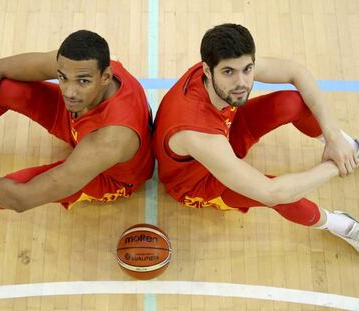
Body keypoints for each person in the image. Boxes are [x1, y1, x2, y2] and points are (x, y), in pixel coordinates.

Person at [153, 23, 359, 251]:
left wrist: (334, 137)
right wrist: (336, 164)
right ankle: (343, 225)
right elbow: (272, 193)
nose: (241, 82)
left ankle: (349, 146)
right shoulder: (195, 132)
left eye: (248, 69)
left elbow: (296, 71)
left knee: (291, 102)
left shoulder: (227, 66)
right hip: (197, 182)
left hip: (225, 133)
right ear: (207, 70)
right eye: (229, 72)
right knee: (281, 195)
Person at [0, 30, 154, 212]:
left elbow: (20, 200)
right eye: (62, 77)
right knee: (8, 88)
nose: (69, 92)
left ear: (106, 77)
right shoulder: (80, 64)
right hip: (78, 122)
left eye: (83, 81)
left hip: (108, 175)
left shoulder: (112, 139)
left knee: (18, 186)